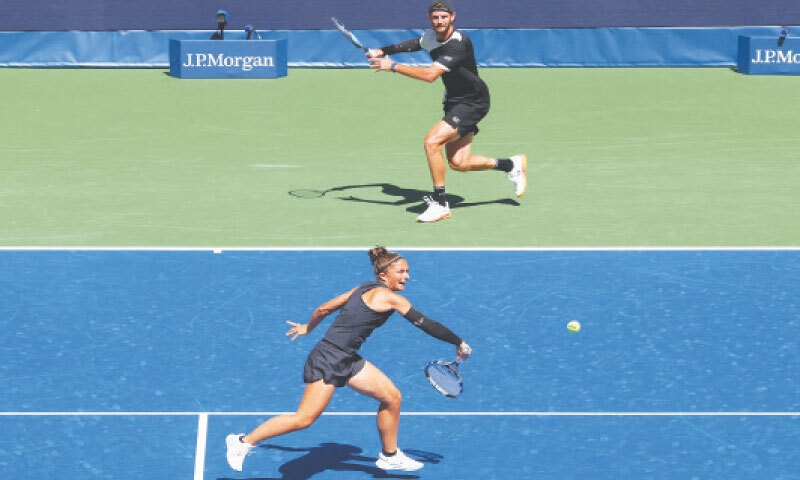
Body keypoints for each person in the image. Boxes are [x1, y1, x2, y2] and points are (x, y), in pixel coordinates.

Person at [225, 246, 472, 473]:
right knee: (304, 419)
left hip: (347, 359)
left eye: (408, 271)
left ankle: (390, 454)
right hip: (329, 359)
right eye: (401, 272)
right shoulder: (392, 298)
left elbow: (324, 308)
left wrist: (308, 328)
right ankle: (242, 441)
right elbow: (426, 324)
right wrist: (458, 341)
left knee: (392, 397)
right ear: (385, 275)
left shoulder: (363, 287)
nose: (407, 276)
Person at [368, 0, 527, 223]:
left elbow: (430, 76)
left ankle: (440, 203)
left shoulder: (458, 44)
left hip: (473, 101)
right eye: (435, 18)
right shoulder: (432, 36)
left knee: (431, 142)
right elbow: (415, 43)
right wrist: (382, 50)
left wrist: (392, 66)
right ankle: (511, 164)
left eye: (444, 17)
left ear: (453, 17)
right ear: (429, 19)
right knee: (459, 163)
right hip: (454, 101)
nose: (439, 21)